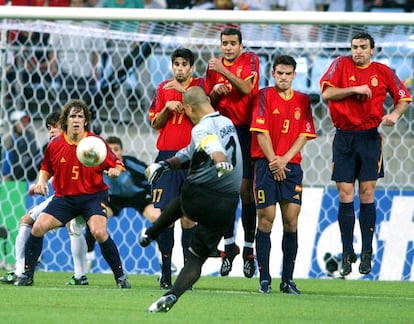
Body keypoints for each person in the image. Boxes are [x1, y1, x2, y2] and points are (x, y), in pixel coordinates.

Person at [140, 86, 242, 312]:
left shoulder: (200, 128)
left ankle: (151, 232)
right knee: (196, 259)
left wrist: (219, 160)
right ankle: (171, 296)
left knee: (185, 189)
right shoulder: (227, 123)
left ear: (187, 108)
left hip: (202, 197)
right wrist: (165, 165)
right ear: (207, 100)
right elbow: (190, 152)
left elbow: (209, 144)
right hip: (228, 205)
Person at [320, 32, 412, 276]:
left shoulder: (383, 71)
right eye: (354, 47)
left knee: (367, 192)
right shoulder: (340, 64)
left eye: (362, 47)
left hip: (370, 137)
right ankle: (348, 250)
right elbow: (327, 93)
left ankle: (367, 252)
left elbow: (404, 98)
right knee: (344, 193)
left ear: (372, 50)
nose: (357, 51)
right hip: (343, 137)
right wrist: (353, 89)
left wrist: (394, 114)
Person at [13, 99, 131, 288]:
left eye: (80, 116)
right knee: (37, 227)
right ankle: (27, 274)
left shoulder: (95, 142)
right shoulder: (55, 144)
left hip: (93, 197)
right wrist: (41, 182)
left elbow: (116, 163)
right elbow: (46, 168)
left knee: (99, 232)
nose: (76, 120)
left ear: (85, 121)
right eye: (72, 116)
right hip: (65, 198)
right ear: (66, 120)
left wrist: (115, 170)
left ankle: (121, 277)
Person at [250, 55, 316, 294]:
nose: (284, 77)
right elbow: (260, 132)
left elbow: (305, 134)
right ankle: (264, 279)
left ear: (295, 75)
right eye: (280, 73)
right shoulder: (264, 96)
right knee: (266, 219)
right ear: (273, 73)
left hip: (291, 167)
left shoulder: (303, 100)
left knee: (291, 221)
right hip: (266, 165)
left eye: (288, 73)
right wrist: (273, 161)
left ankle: (287, 280)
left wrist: (285, 160)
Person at [148, 48, 205, 289]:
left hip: (192, 157)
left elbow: (205, 121)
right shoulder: (163, 89)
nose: (180, 68)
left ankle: (186, 274)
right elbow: (154, 123)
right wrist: (166, 107)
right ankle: (165, 273)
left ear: (191, 67)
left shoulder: (200, 87)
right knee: (166, 217)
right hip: (167, 158)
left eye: (184, 64)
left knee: (189, 219)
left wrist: (185, 98)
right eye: (176, 64)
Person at [206, 27, 260, 278]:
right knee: (225, 193)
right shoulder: (212, 67)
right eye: (224, 43)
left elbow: (248, 90)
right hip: (223, 131)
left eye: (232, 43)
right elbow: (207, 105)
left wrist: (223, 72)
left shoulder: (250, 60)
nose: (227, 47)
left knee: (246, 192)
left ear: (240, 45)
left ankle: (249, 250)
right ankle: (229, 246)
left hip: (247, 131)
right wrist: (215, 94)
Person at [84, 135, 160, 270]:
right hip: (112, 199)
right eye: (110, 149)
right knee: (94, 219)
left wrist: (154, 193)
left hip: (138, 196)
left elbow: (150, 174)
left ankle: (161, 255)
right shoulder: (98, 165)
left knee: (157, 217)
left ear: (122, 151)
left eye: (116, 149)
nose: (113, 152)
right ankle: (88, 257)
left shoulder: (131, 164)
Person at [2, 110, 41, 182]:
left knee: (43, 151)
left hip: (28, 169)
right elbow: (6, 158)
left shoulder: (30, 136)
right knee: (8, 151)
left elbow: (34, 154)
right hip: (15, 172)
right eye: (22, 121)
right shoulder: (10, 138)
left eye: (26, 121)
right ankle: (6, 177)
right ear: (15, 123)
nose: (25, 124)